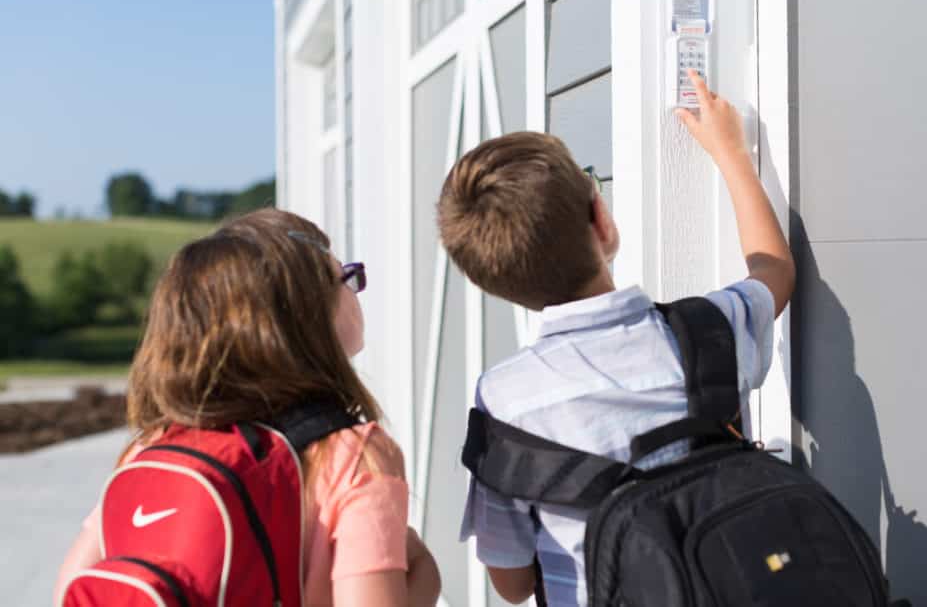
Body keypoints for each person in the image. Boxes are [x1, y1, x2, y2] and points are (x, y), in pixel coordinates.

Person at [437, 71, 795, 606]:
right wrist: (732, 153)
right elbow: (775, 272)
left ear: (492, 282)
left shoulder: (505, 401)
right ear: (601, 220)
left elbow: (512, 584)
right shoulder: (708, 331)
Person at [54, 208, 441, 607]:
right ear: (303, 316)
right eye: (344, 278)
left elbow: (70, 586)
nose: (355, 291)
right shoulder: (351, 455)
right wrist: (425, 575)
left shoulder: (152, 447)